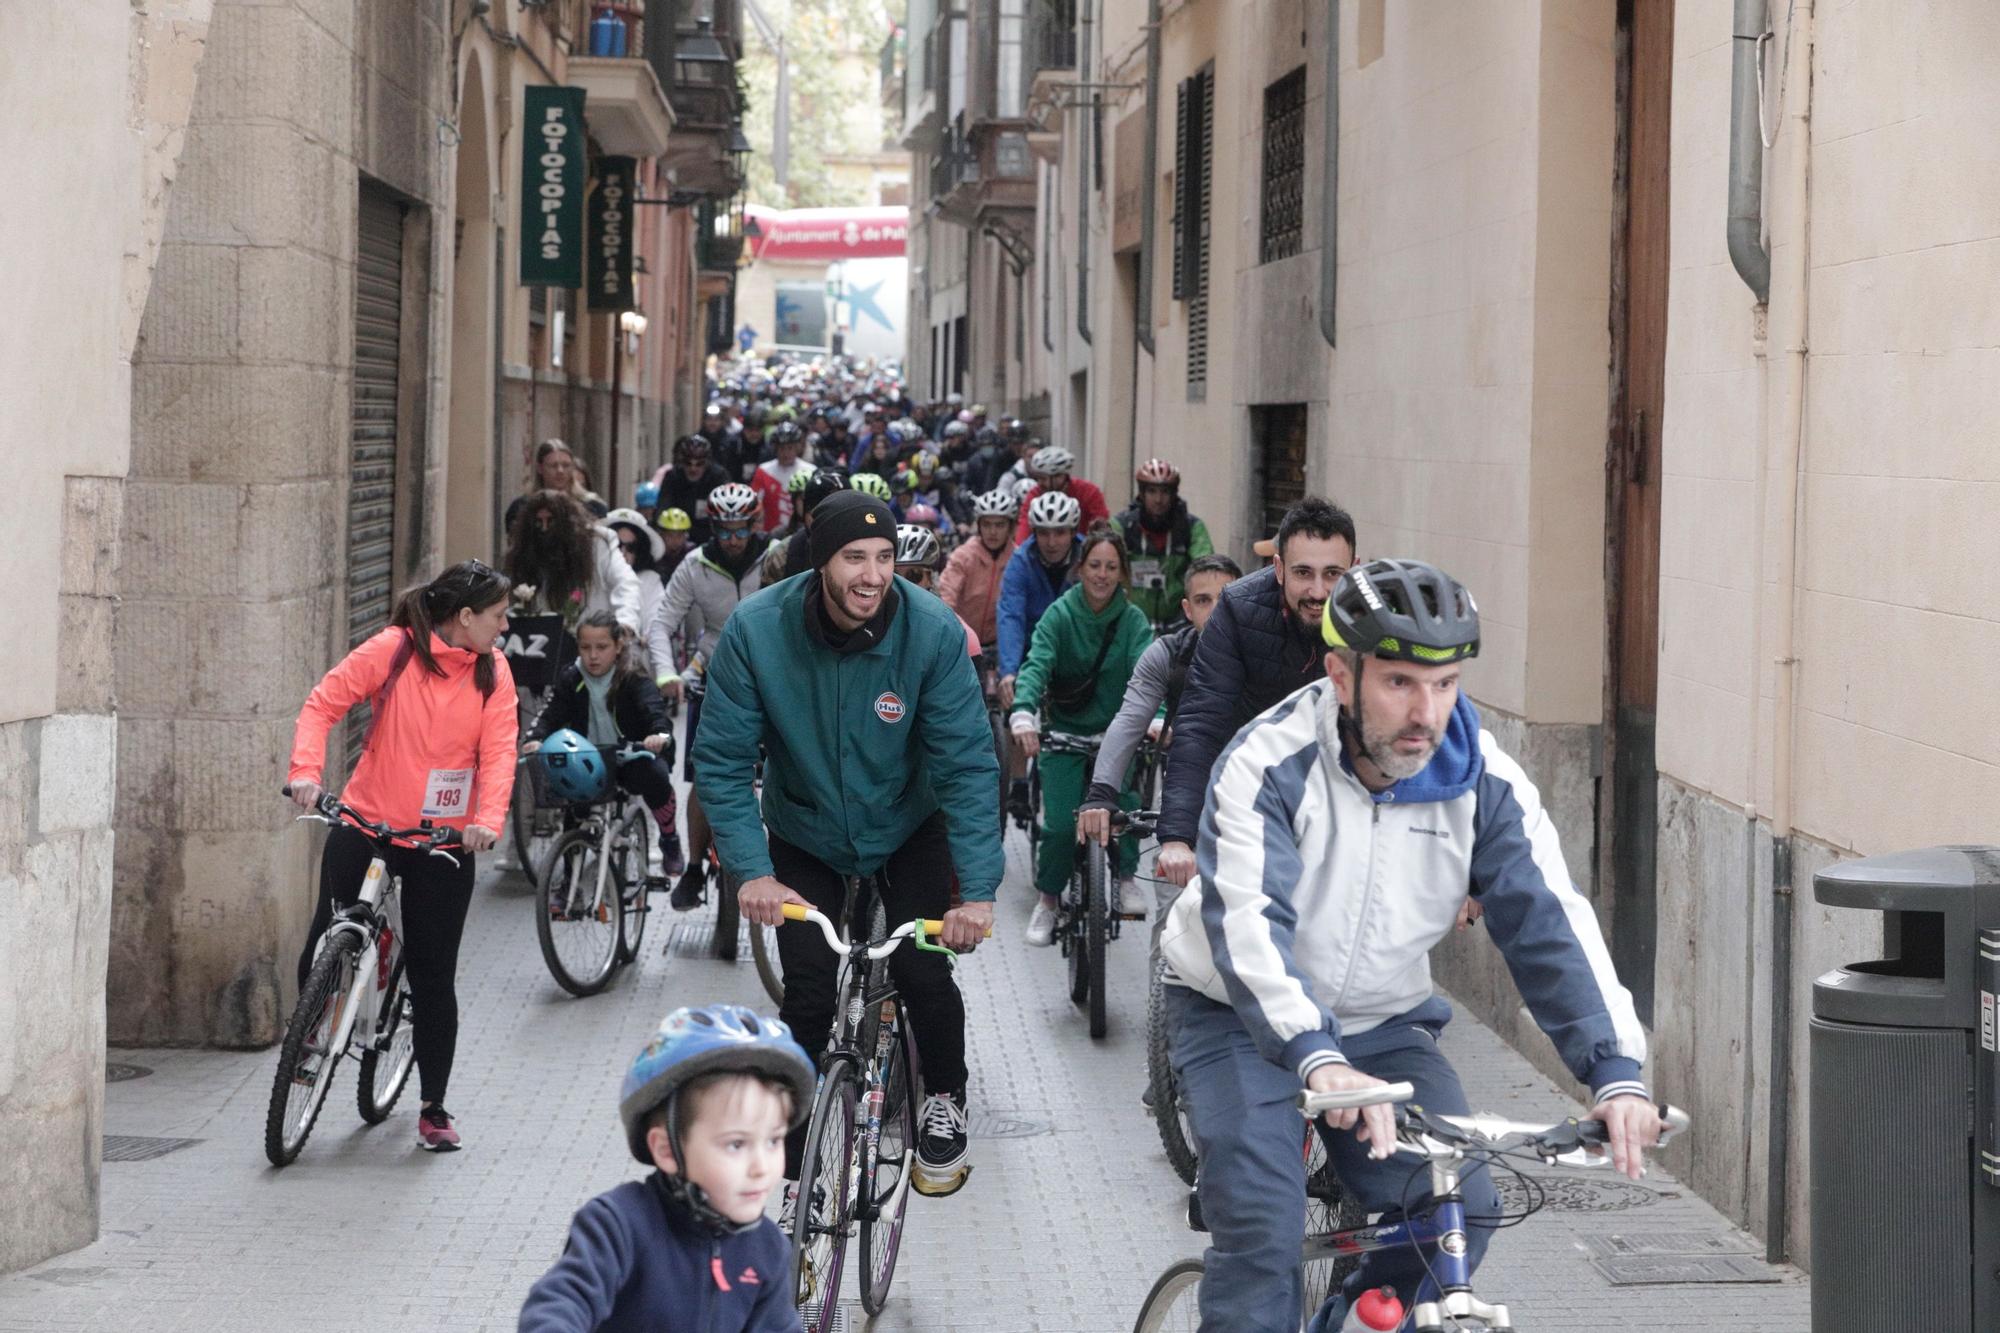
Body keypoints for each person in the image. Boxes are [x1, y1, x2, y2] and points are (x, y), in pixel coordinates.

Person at [1157, 559, 1659, 1331]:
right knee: (1263, 1224)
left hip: (1381, 1021)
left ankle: (1346, 1313)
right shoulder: (1269, 761)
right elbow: (1250, 926)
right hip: (1237, 1014)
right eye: (1400, 683)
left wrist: (1616, 1071)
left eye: (1447, 683)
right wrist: (1316, 1056)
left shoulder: (1482, 780)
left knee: (1462, 1208)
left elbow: (1549, 921)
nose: (1427, 711)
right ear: (1341, 673)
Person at [692, 490, 1002, 1198]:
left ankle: (942, 1098)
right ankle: (799, 1174)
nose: (872, 574)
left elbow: (966, 763)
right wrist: (752, 870)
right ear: (818, 557)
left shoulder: (931, 632)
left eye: (886, 556)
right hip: (805, 829)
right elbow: (722, 759)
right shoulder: (756, 630)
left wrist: (978, 892)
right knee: (806, 993)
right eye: (854, 557)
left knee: (924, 971)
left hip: (905, 824)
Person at [286, 561, 518, 1153]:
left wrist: (487, 822)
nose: (505, 624)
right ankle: (308, 1037)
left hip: (442, 842)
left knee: (434, 977)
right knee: (324, 938)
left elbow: (498, 754)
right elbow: (321, 705)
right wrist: (306, 775)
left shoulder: (494, 673)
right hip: (367, 819)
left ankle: (433, 1107)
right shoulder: (392, 650)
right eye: (497, 614)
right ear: (465, 617)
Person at [518, 1004, 813, 1333]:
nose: (761, 1167)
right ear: (667, 1149)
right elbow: (560, 1302)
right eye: (736, 1144)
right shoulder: (617, 1225)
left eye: (773, 1141)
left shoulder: (767, 1248)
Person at [1153, 496, 1355, 889]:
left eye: (1333, 574)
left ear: (1355, 569)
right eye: (1303, 572)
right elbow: (1201, 721)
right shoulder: (1238, 609)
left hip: (1337, 798)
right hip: (1250, 793)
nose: (1318, 590)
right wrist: (1178, 836)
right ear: (1278, 569)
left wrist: (1464, 872)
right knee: (1197, 929)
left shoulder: (1375, 617)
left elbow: (1417, 729)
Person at [1007, 532, 1155, 944]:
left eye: (1111, 567)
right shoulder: (1059, 615)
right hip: (1064, 737)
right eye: (1094, 566)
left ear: (1123, 573)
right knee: (1057, 827)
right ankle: (1049, 901)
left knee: (1125, 811)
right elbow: (1037, 663)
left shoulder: (1133, 622)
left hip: (1116, 737)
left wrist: (1156, 718)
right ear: (1080, 569)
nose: (1102, 575)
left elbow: (1148, 674)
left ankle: (1126, 878)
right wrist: (1024, 711)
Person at [1076, 552, 1244, 907]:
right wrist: (1101, 793)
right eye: (1203, 600)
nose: (1214, 610)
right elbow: (1127, 723)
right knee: (1174, 924)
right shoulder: (1167, 656)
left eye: (1225, 599)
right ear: (1187, 609)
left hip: (1252, 797)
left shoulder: (1268, 652)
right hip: (1182, 791)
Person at [647, 483, 770, 911]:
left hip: (770, 674)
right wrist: (666, 673)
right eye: (725, 530)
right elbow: (661, 625)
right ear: (713, 527)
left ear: (754, 524)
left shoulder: (774, 557)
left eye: (741, 530)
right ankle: (696, 866)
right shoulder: (694, 565)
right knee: (705, 774)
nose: (733, 539)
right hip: (714, 672)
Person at [523, 612, 685, 877]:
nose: (593, 656)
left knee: (655, 776)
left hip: (629, 756)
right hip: (588, 760)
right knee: (573, 806)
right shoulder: (571, 677)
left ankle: (669, 838)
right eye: (585, 648)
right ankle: (569, 882)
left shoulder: (633, 677)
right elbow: (549, 714)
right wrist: (534, 738)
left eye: (602, 647)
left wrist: (658, 735)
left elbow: (654, 711)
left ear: (618, 646)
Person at [503, 490, 642, 636]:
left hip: (591, 643)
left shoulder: (595, 545)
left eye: (550, 521)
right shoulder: (526, 553)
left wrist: (625, 623)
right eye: (538, 522)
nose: (544, 528)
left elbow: (625, 583)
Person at [994, 491, 1083, 707]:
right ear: (1034, 533)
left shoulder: (1089, 557)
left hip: (1080, 653)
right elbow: (1011, 616)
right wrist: (1009, 671)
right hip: (1031, 653)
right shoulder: (1021, 561)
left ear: (1072, 532)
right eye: (1043, 533)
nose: (1051, 542)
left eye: (1060, 533)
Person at [1110, 458, 1214, 629]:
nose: (1158, 499)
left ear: (1174, 494)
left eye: (1165, 491)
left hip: (1179, 623)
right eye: (1151, 491)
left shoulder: (1191, 527)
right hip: (1130, 622)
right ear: (1142, 494)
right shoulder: (1121, 526)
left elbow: (1205, 569)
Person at [938, 489, 1017, 649]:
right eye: (986, 524)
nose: (992, 532)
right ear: (979, 525)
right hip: (962, 642)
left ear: (1011, 527)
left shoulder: (1017, 558)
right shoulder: (963, 555)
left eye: (1000, 525)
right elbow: (946, 597)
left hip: (1000, 645)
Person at [894, 524, 980, 658]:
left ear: (930, 579)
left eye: (914, 575)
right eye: (893, 576)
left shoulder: (959, 634)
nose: (903, 584)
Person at [604, 508, 667, 673]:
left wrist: (643, 637)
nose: (623, 553)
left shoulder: (650, 580)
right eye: (618, 545)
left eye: (631, 547)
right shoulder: (595, 579)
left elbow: (657, 620)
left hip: (635, 667)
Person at [1010, 445, 1110, 543]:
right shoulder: (1034, 494)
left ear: (1065, 475)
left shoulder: (1089, 492)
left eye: (1055, 477)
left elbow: (1101, 524)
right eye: (1040, 478)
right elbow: (1024, 527)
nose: (1046, 484)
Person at [507, 438, 606, 531]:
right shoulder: (521, 507)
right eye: (553, 466)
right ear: (540, 468)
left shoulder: (593, 506)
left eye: (566, 465)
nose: (560, 471)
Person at [655, 435, 731, 545]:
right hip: (678, 536)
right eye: (688, 463)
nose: (693, 469)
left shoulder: (718, 477)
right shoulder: (673, 476)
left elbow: (726, 511)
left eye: (699, 464)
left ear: (707, 463)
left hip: (710, 536)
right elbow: (663, 507)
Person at [780, 468, 849, 579]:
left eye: (835, 515)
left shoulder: (867, 550)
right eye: (816, 514)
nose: (825, 523)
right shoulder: (784, 554)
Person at [749, 421, 811, 534]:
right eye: (782, 448)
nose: (786, 453)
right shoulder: (763, 470)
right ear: (775, 448)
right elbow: (754, 504)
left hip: (801, 533)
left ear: (798, 447)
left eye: (790, 448)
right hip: (769, 534)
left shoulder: (810, 470)